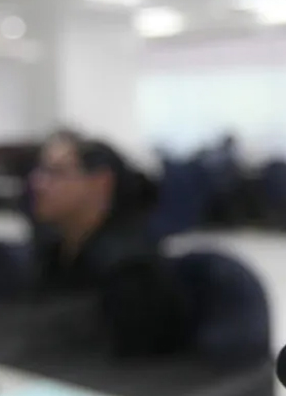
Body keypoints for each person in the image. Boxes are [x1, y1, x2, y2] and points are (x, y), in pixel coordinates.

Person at [29, 132, 191, 357]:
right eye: (40, 170)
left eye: (55, 172)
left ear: (101, 183)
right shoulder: (55, 255)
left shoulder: (131, 271)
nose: (38, 183)